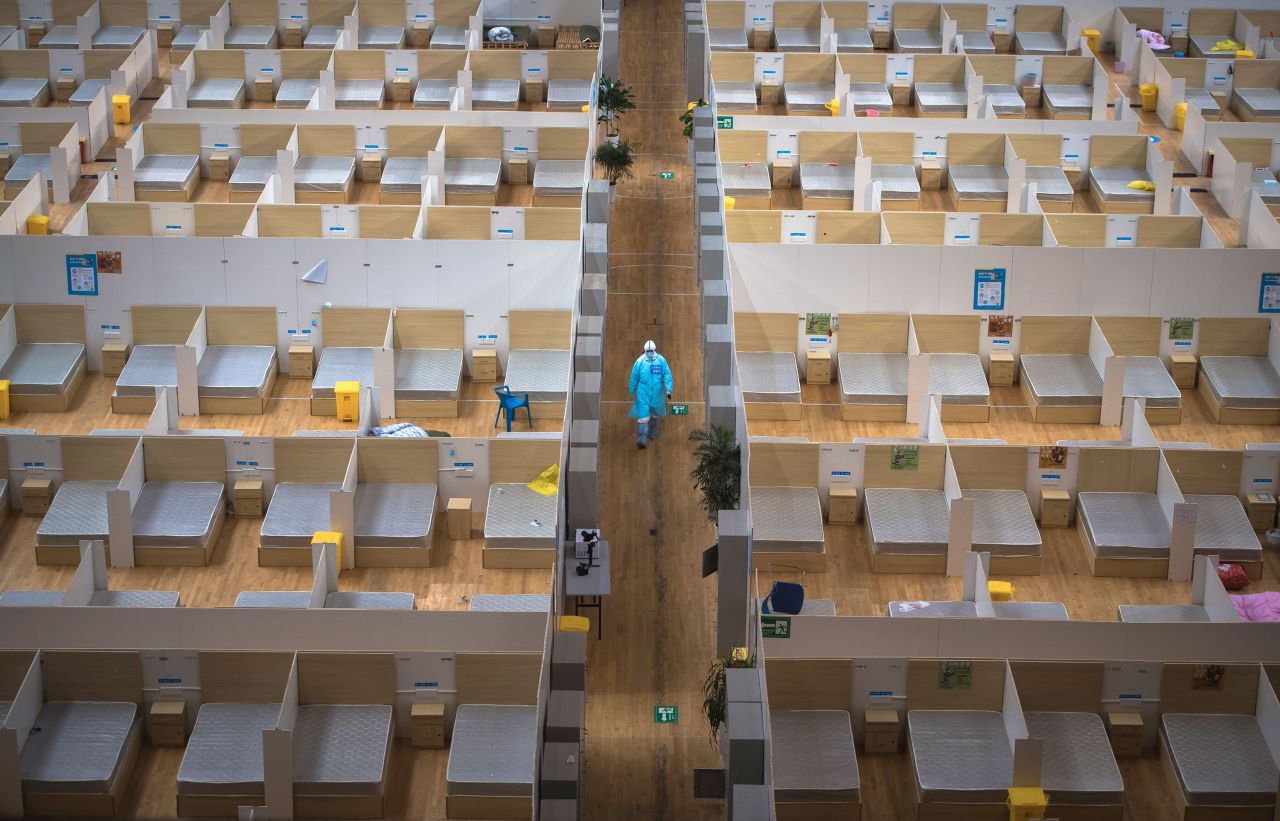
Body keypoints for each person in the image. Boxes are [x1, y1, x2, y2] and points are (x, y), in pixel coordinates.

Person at [628, 340, 673, 449]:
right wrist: (632, 388)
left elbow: (667, 374)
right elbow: (634, 376)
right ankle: (642, 438)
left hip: (657, 393)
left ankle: (654, 431)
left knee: (654, 413)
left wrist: (668, 390)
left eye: (650, 351)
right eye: (647, 351)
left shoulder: (661, 360)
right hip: (643, 392)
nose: (649, 352)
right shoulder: (639, 362)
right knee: (643, 416)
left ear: (654, 350)